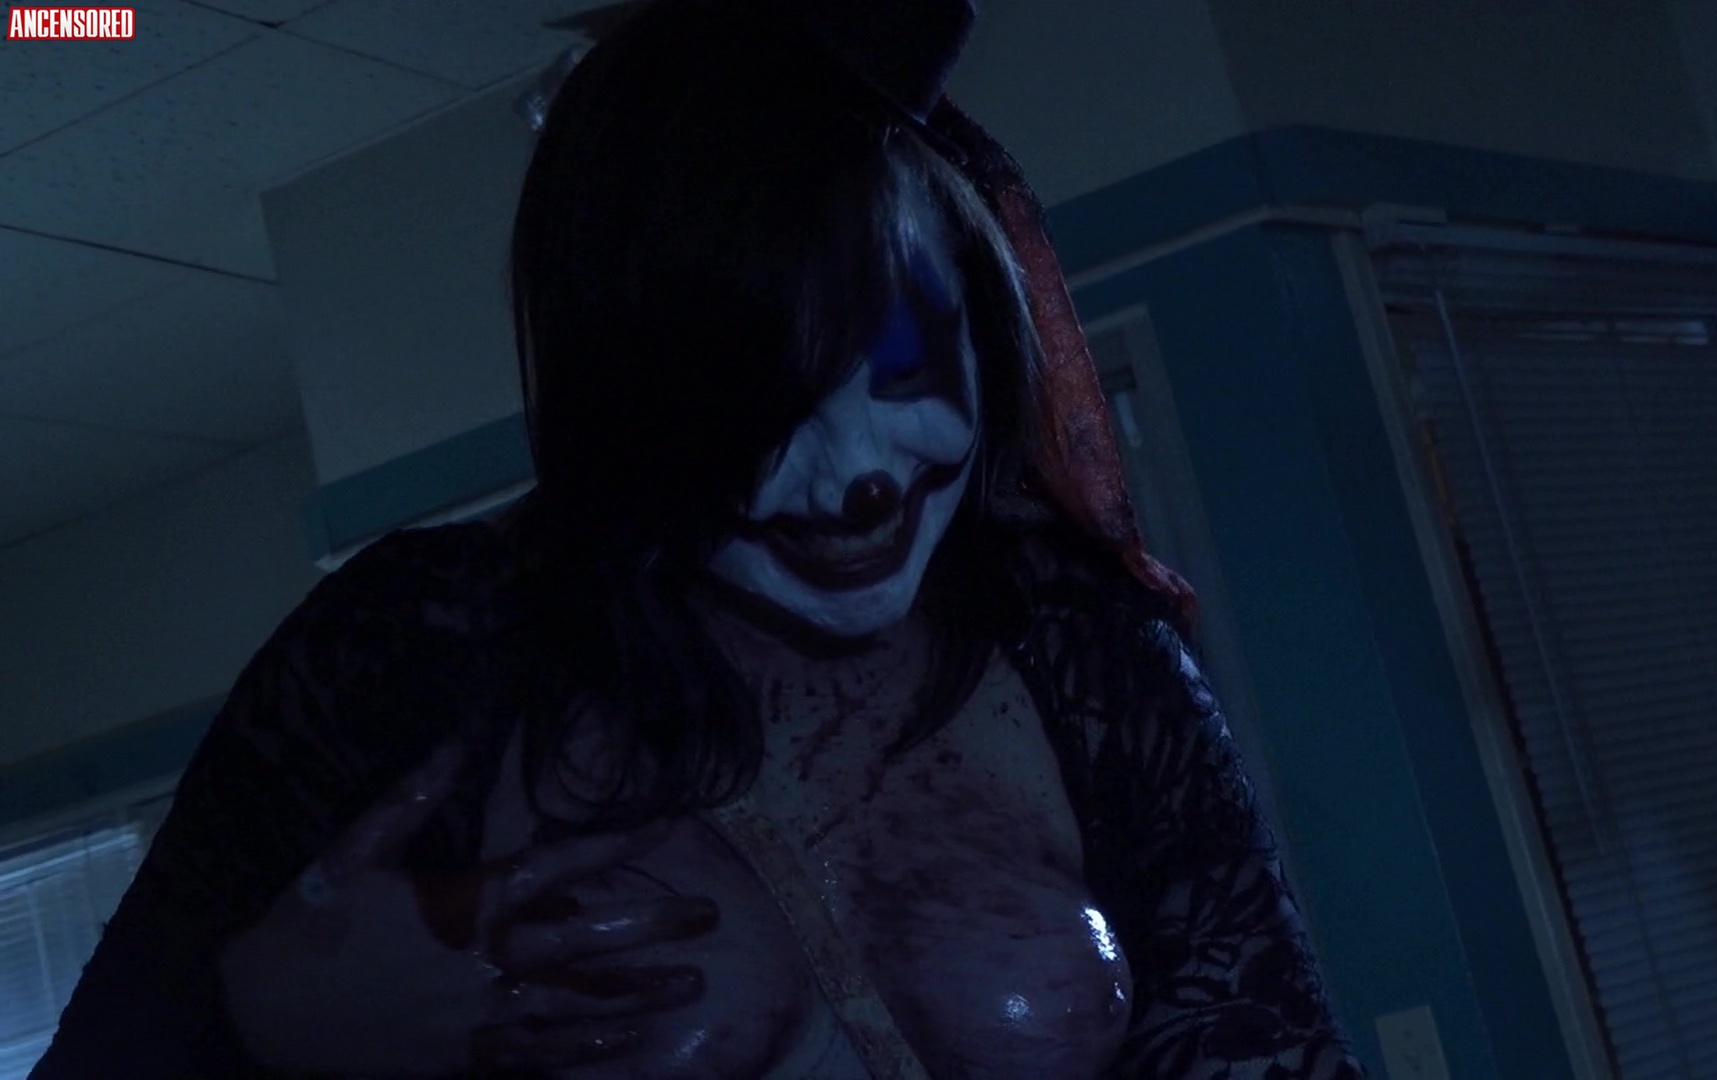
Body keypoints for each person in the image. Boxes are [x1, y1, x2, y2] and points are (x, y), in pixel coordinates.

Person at [31, 0, 1367, 1076]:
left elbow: (1273, 1043)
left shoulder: (1070, 639)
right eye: (758, 400)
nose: (853, 474)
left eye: (901, 361)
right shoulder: (412, 646)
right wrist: (266, 1024)